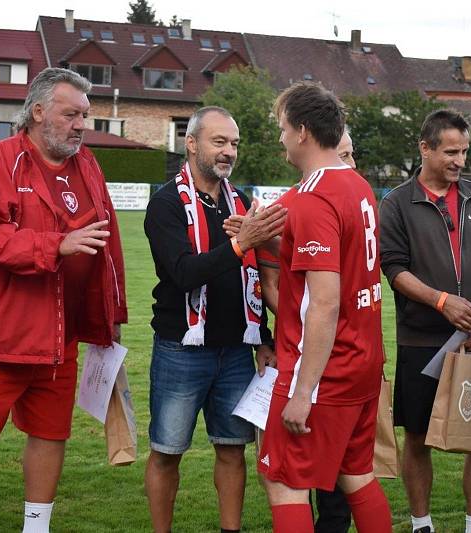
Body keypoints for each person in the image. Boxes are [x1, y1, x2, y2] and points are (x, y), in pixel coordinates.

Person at [0, 67, 128, 533]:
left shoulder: (88, 167)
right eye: (71, 114)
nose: (82, 124)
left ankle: (36, 529)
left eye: (86, 115)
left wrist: (111, 315)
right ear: (38, 111)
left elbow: (108, 243)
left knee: (50, 434)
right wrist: (53, 245)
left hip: (58, 337)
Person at [257, 82, 392, 533]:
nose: (279, 138)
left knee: (284, 481)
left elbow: (325, 303)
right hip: (363, 361)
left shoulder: (315, 196)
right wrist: (270, 238)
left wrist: (301, 392)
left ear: (301, 131)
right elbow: (338, 262)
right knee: (357, 476)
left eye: (281, 128)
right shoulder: (356, 184)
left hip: (324, 370)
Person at [143, 105, 283, 533]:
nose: (228, 152)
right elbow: (184, 273)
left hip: (237, 350)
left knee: (231, 449)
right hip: (181, 349)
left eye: (234, 144)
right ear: (191, 144)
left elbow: (256, 278)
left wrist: (264, 339)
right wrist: (243, 244)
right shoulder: (166, 203)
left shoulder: (239, 201)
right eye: (219, 142)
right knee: (167, 451)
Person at [379, 109, 471, 533]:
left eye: (464, 152)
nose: (459, 161)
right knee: (417, 436)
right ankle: (422, 524)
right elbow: (394, 269)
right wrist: (442, 302)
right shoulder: (397, 202)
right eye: (451, 151)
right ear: (425, 148)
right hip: (421, 338)